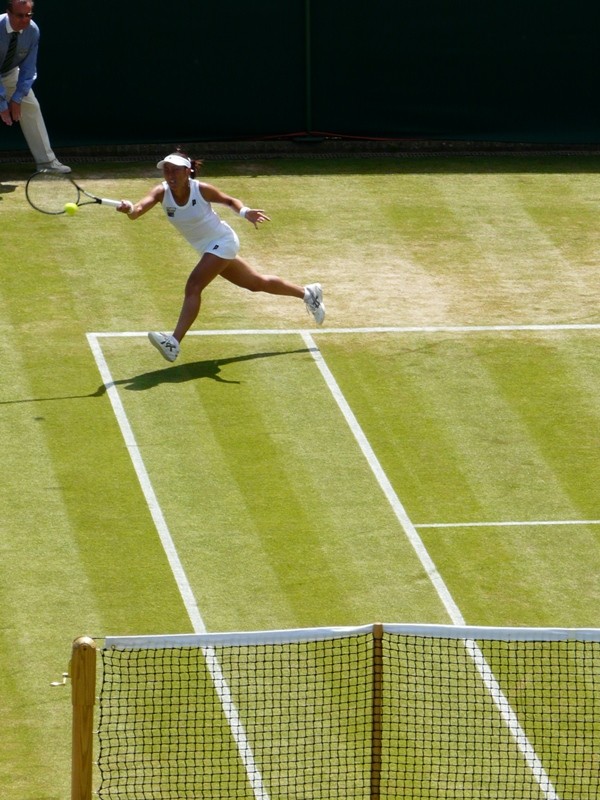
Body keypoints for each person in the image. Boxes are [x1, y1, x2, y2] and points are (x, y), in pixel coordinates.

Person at [117, 151, 325, 363]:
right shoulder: (161, 192)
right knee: (255, 283)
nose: (169, 174)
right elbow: (137, 211)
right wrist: (129, 208)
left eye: (175, 170)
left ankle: (174, 342)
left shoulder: (201, 189)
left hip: (223, 242)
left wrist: (246, 212)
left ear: (187, 171)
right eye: (166, 170)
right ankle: (308, 293)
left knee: (193, 286)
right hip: (208, 248)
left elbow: (229, 200)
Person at [0, 0, 70, 172]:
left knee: (31, 106)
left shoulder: (33, 30)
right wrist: (2, 104)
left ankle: (47, 163)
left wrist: (17, 98)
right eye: (20, 15)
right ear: (8, 13)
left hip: (8, 73)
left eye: (28, 15)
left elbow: (28, 68)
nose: (25, 20)